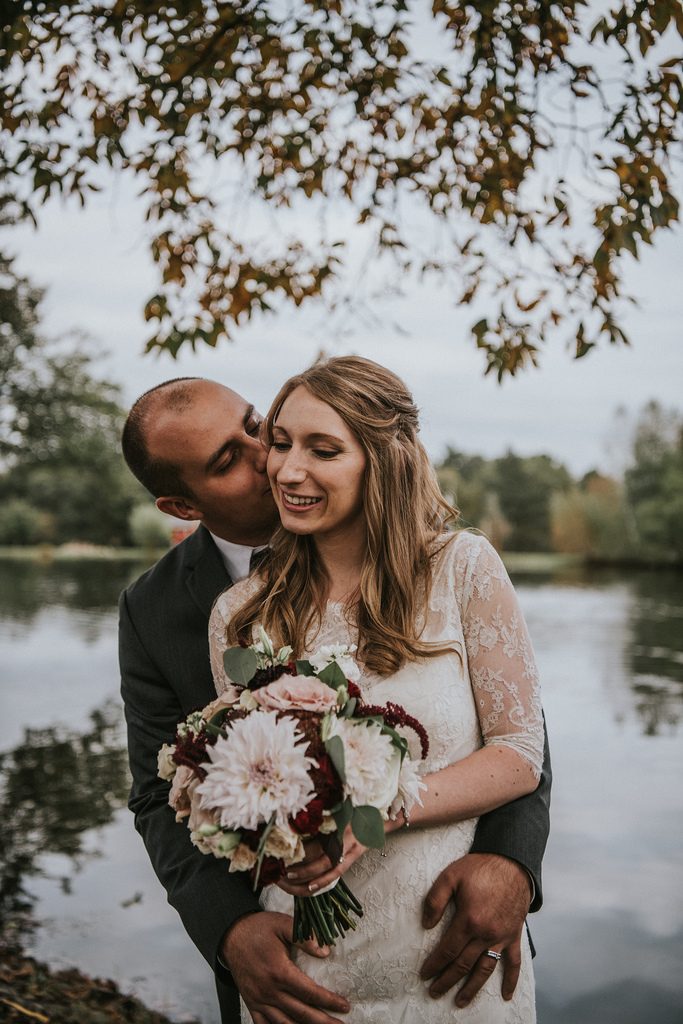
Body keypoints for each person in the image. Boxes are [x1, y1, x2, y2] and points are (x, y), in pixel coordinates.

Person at [119, 374, 551, 1024]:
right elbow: (164, 791)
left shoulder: (445, 562)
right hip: (299, 966)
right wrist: (229, 931)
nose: (269, 455)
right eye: (229, 460)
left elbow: (518, 731)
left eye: (256, 425)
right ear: (182, 506)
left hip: (454, 940)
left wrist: (510, 859)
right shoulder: (176, 611)